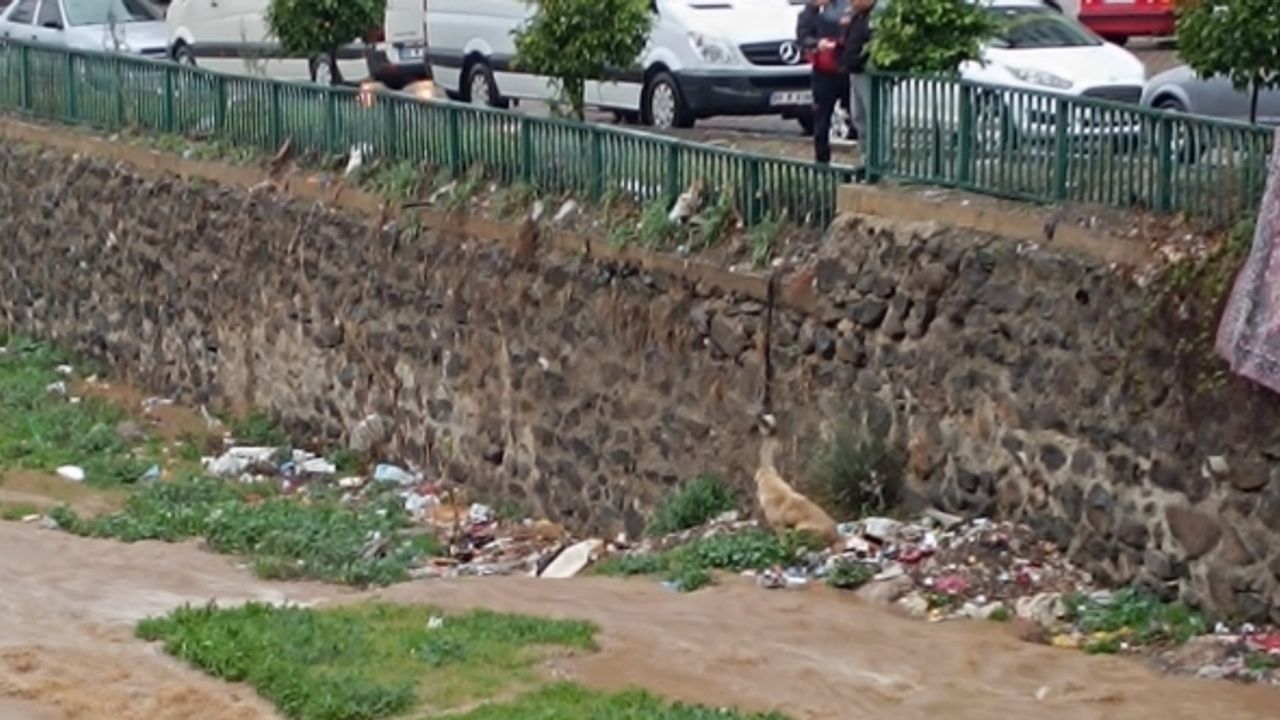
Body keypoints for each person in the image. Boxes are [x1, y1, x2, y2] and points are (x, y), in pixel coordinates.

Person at [797, 0, 852, 163]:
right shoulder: (809, 13)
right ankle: (822, 159)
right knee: (822, 117)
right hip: (823, 71)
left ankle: (865, 158)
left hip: (846, 69)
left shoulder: (846, 7)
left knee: (856, 113)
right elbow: (802, 38)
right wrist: (816, 43)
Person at [841, 0, 875, 147]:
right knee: (858, 116)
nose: (851, 2)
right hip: (854, 71)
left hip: (866, 72)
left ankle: (880, 159)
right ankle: (865, 155)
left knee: (873, 117)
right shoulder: (857, 16)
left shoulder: (874, 17)